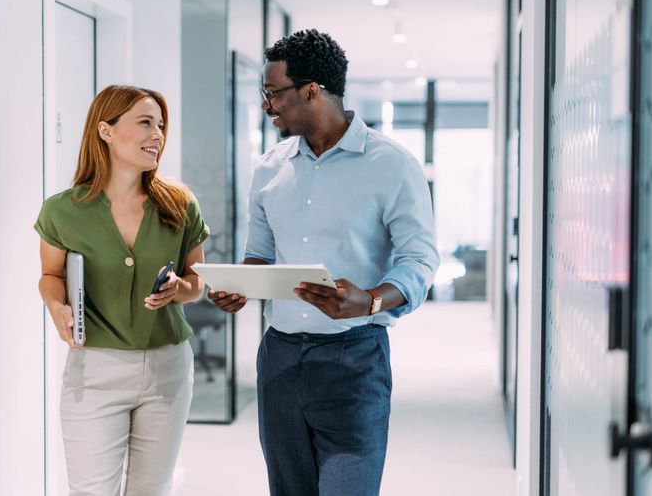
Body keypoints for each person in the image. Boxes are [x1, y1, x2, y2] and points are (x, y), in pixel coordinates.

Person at [208, 29, 440, 496]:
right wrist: (238, 285)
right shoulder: (269, 168)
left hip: (355, 360)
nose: (266, 105)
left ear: (311, 90)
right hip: (280, 359)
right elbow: (261, 256)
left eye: (273, 94)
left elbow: (420, 260)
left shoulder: (392, 164)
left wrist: (371, 300)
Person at [35, 85, 209, 496]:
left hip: (167, 369)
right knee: (92, 490)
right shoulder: (62, 209)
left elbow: (198, 282)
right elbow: (50, 276)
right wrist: (56, 306)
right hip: (94, 371)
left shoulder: (180, 203)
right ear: (106, 131)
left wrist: (180, 288)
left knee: (152, 489)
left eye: (161, 125)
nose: (158, 135)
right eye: (145, 123)